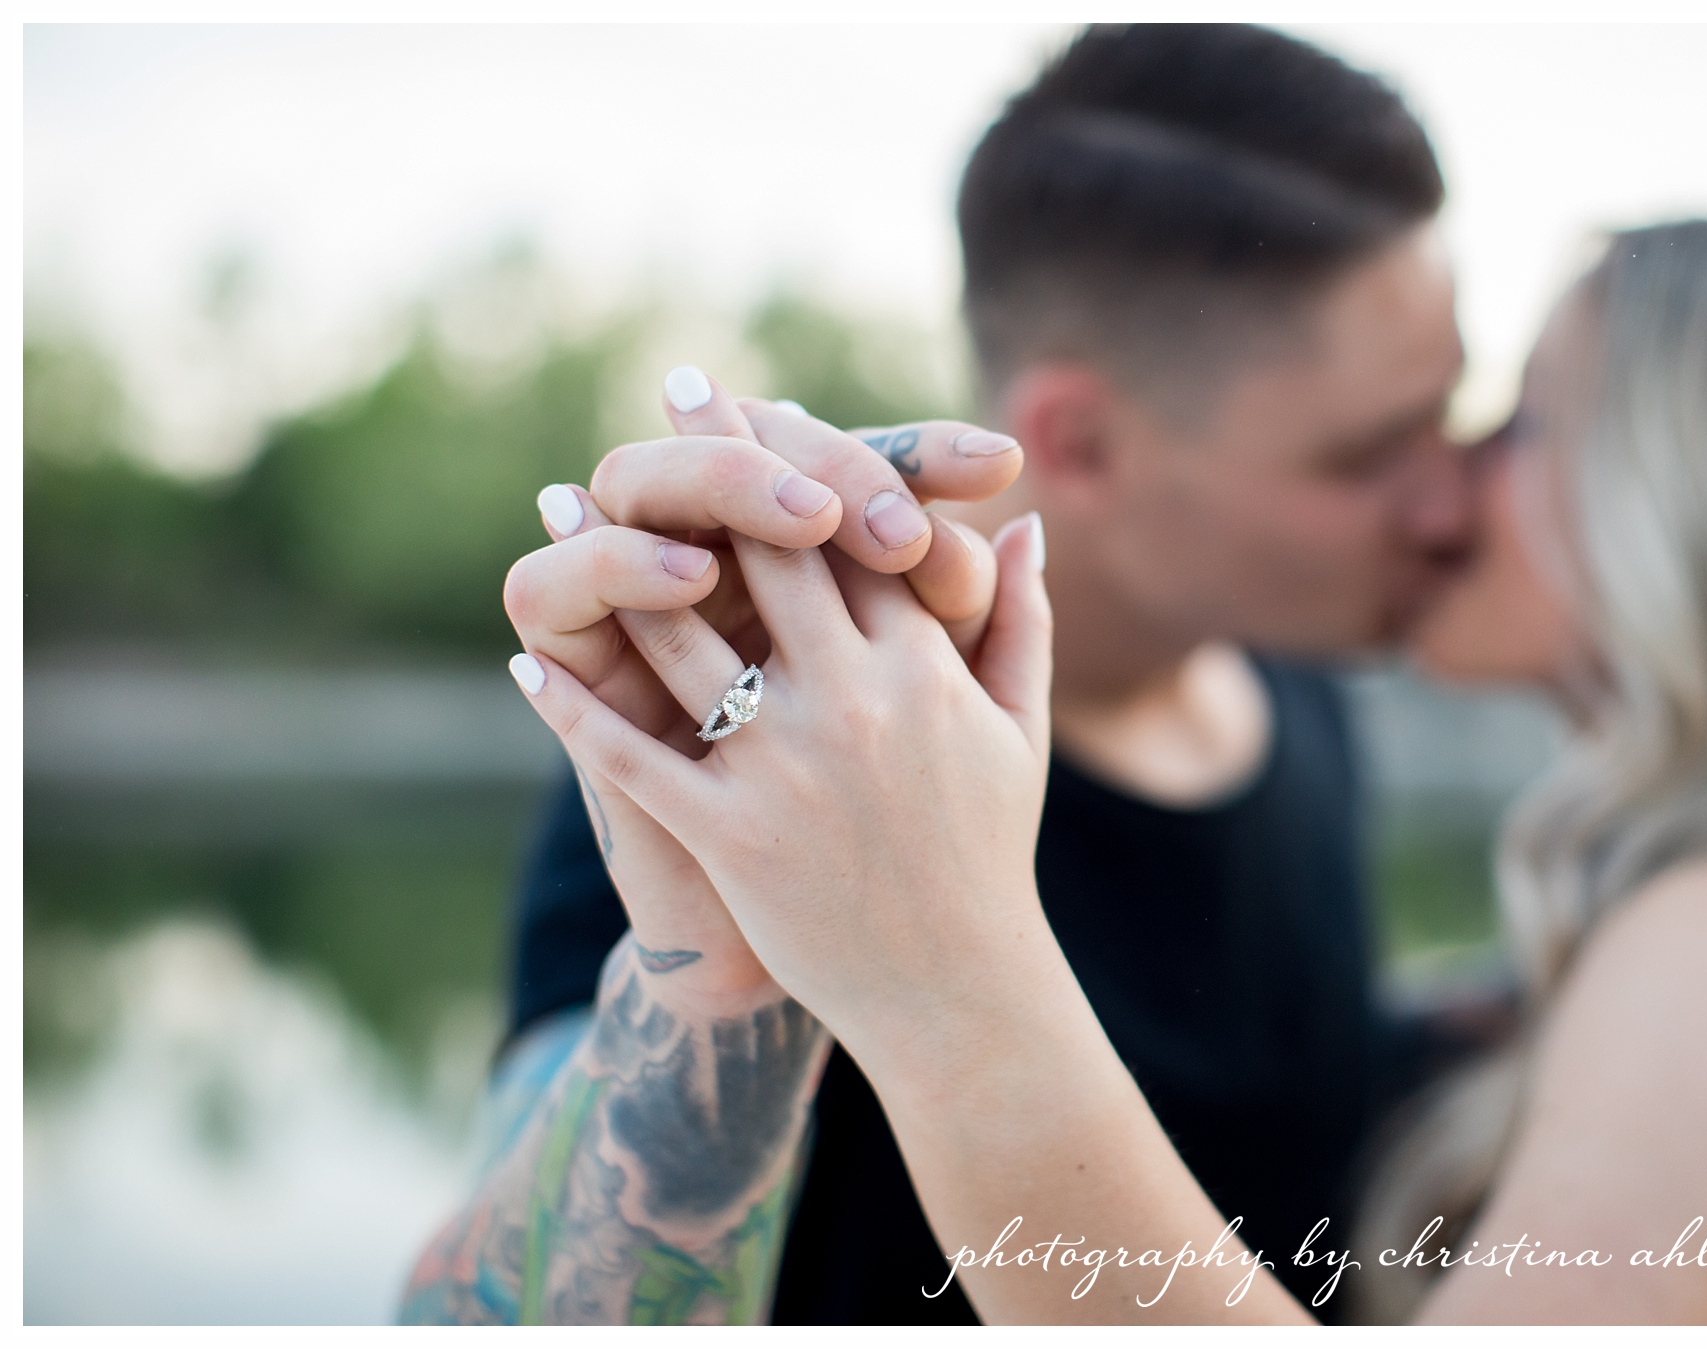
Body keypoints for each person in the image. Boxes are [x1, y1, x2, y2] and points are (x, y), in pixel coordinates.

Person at [499, 219, 1707, 1324]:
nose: (1445, 484)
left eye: (1521, 421)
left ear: (1704, 499)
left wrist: (943, 970)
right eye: (1379, 444)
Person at [401, 23, 1484, 1326]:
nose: (1452, 501)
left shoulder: (1297, 687)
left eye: (1452, 416)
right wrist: (725, 964)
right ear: (1080, 445)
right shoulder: (753, 733)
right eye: (1369, 456)